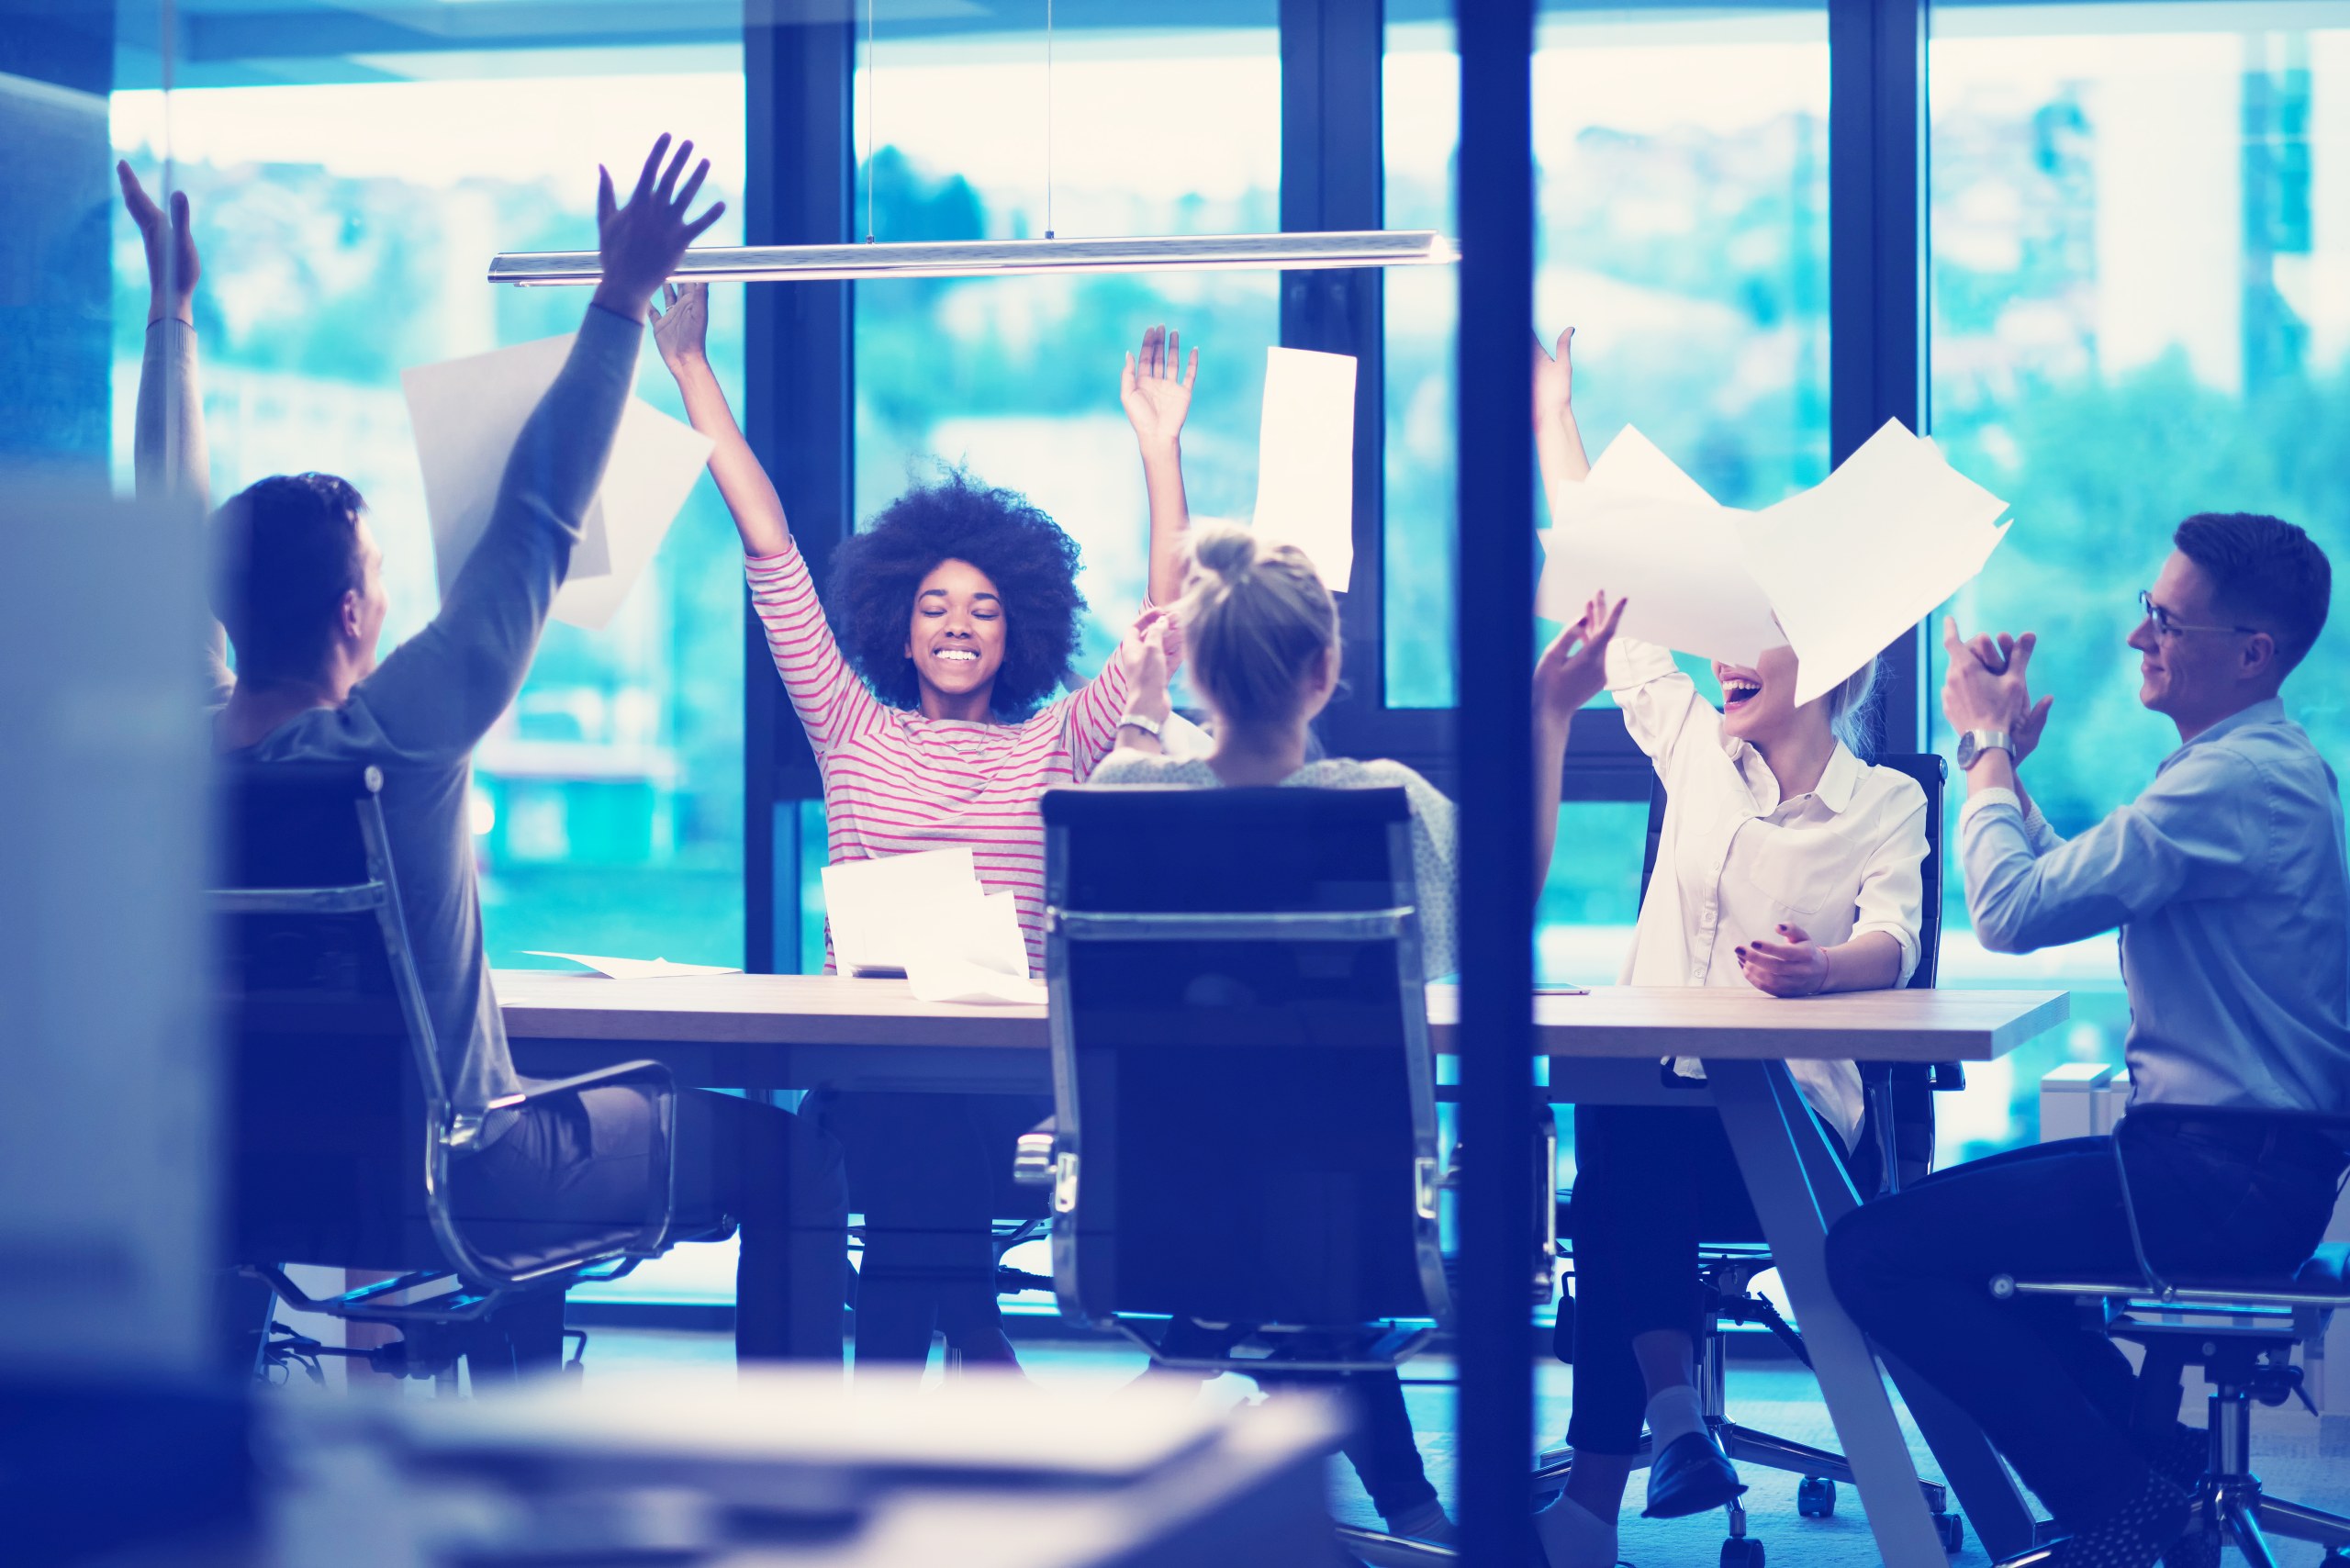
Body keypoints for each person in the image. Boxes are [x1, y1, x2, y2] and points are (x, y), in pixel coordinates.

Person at [125, 141, 849, 1364]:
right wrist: (619, 302)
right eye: (378, 574)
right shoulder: (395, 736)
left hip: (249, 1175)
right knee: (792, 1149)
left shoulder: (185, 750)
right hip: (460, 1173)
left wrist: (170, 314)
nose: (390, 592)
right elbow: (536, 519)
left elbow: (159, 537)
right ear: (356, 614)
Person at [649, 283, 1193, 1369]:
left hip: (1005, 1079)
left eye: (983, 608)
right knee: (902, 1124)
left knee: (921, 1149)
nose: (956, 624)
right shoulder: (850, 724)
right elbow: (769, 549)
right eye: (936, 605)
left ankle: (940, 1357)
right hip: (873, 1070)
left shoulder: (1054, 744)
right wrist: (688, 365)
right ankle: (972, 1338)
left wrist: (1158, 450)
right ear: (899, 624)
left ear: (1017, 631)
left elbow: (1159, 629)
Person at [1826, 515, 2350, 1568]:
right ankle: (2154, 1470)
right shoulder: (2253, 769)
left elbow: (2009, 914)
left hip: (2217, 1175)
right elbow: (2076, 882)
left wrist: (1976, 752)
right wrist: (2007, 772)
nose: (2135, 638)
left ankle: (2127, 1500)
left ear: (2252, 652)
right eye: (2143, 611)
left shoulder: (2229, 782)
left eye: (2165, 620)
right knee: (1966, 1254)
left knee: (1871, 1252)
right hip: (2232, 1165)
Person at [1097, 521, 1627, 1546]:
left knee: (1260, 1206)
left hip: (1160, 1214)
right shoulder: (1380, 803)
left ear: (1194, 665)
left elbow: (1131, 761)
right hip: (1352, 1218)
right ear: (1324, 669)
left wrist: (1139, 703)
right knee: (1303, 1216)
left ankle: (1214, 1379)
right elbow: (1503, 891)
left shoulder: (1123, 800)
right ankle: (1408, 1504)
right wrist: (1548, 711)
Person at [1528, 328, 1931, 1565]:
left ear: (1826, 659)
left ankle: (1615, 1477)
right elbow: (1618, 594)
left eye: (1747, 632)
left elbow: (1897, 943)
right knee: (1626, 1130)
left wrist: (1826, 972)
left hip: (1793, 1143)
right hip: (1662, 1116)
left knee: (1619, 1173)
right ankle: (1659, 1431)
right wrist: (1555, 414)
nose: (1717, 654)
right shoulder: (1696, 748)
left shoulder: (1885, 803)